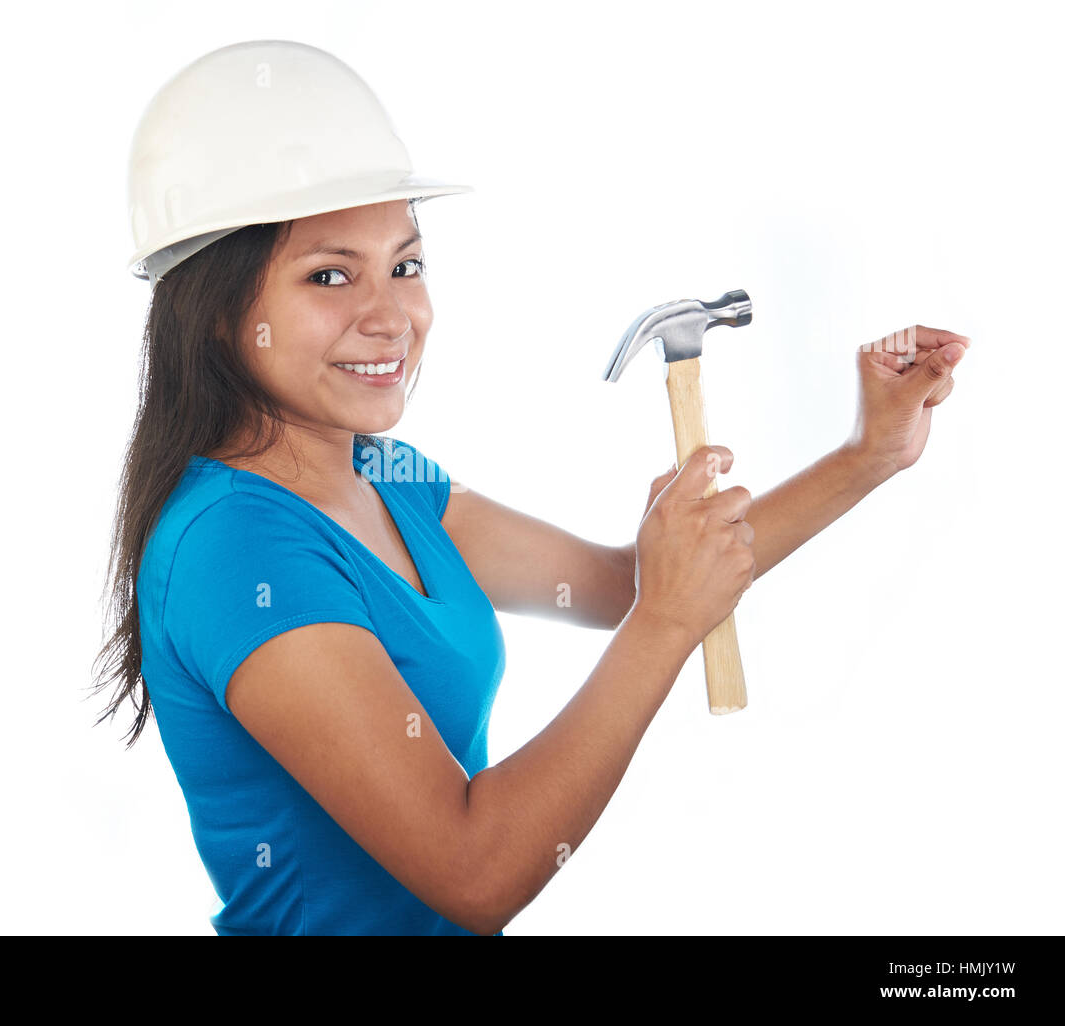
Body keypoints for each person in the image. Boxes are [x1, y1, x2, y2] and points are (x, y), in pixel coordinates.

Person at [92, 41, 970, 936]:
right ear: (215, 307)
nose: (393, 314)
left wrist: (868, 454)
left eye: (406, 263)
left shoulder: (386, 478)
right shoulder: (234, 548)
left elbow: (628, 585)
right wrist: (664, 624)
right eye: (329, 274)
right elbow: (475, 871)